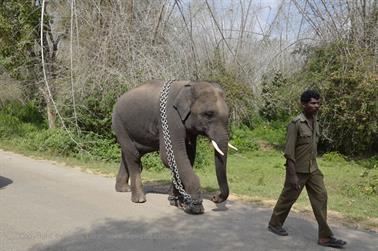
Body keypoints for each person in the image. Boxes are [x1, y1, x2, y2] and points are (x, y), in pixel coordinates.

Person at [268, 90, 347, 249]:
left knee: (321, 196)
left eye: (318, 103)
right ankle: (274, 224)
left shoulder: (315, 121)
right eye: (312, 103)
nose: (316, 106)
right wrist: (292, 176)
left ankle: (325, 236)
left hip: (313, 169)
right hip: (297, 170)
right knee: (288, 198)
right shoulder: (295, 123)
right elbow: (289, 152)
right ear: (303, 104)